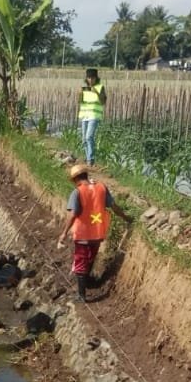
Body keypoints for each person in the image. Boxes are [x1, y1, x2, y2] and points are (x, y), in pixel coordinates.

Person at [56, 164, 132, 303]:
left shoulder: (77, 192)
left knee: (80, 263)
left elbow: (73, 214)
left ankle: (81, 295)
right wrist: (126, 218)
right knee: (90, 258)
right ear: (86, 174)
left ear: (75, 179)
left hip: (83, 234)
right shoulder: (101, 188)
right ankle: (88, 280)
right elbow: (114, 207)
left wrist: (64, 233)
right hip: (97, 233)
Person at [77, 68, 106, 166]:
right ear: (86, 78)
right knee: (84, 139)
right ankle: (88, 158)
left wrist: (96, 93)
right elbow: (80, 102)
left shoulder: (100, 87)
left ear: (96, 78)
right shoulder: (85, 89)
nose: (90, 80)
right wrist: (80, 94)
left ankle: (91, 159)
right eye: (89, 77)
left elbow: (103, 101)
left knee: (89, 136)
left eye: (92, 78)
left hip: (94, 116)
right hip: (85, 116)